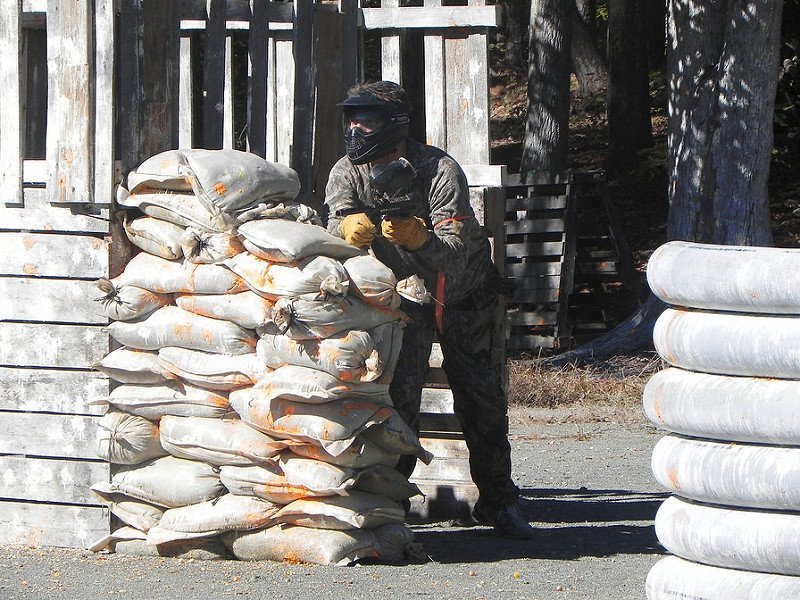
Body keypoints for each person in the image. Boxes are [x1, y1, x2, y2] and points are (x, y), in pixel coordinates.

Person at [324, 80, 534, 540]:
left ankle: (499, 502)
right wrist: (343, 229)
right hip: (404, 300)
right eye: (353, 118)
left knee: (481, 402)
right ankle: (393, 505)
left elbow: (457, 251)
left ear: (395, 125)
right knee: (399, 402)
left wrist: (422, 238)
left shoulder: (438, 168)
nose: (358, 128)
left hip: (467, 295)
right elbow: (329, 228)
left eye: (369, 120)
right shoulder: (347, 170)